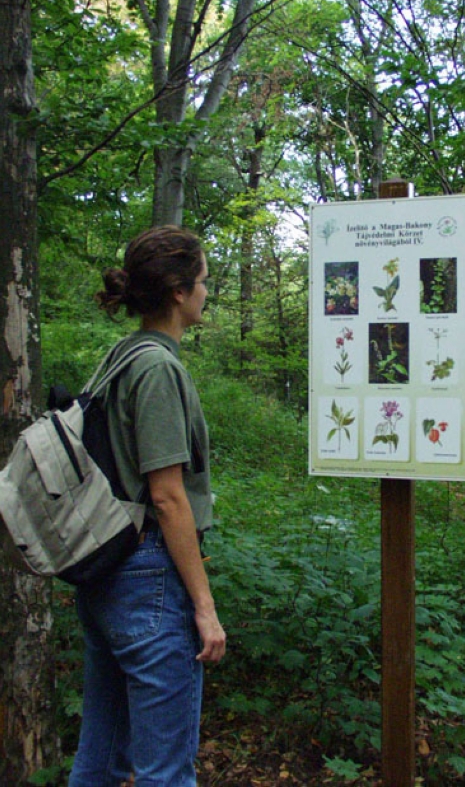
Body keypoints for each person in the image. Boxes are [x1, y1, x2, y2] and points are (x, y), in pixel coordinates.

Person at [69, 225, 227, 787]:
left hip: (107, 576)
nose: (209, 292)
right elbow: (166, 496)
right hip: (149, 582)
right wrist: (203, 607)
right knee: (165, 773)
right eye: (204, 281)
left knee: (100, 759)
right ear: (179, 292)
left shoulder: (120, 356)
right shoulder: (158, 368)